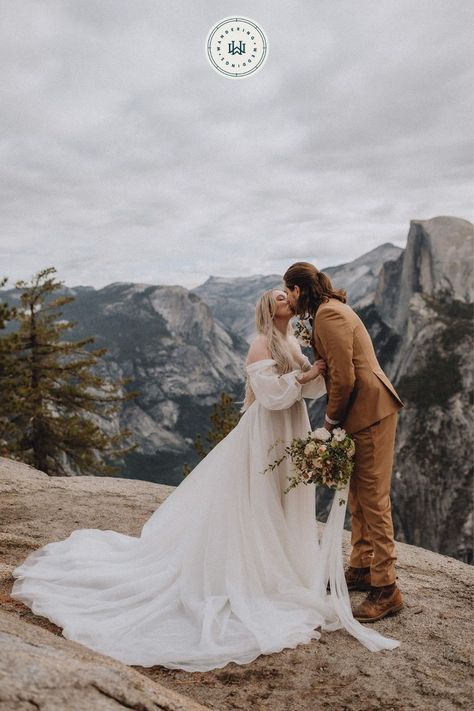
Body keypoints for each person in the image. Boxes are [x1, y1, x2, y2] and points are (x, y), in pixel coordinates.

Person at [11, 289, 400, 673]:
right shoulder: (261, 344)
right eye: (280, 297)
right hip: (267, 430)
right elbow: (269, 395)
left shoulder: (290, 342)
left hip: (291, 427)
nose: (288, 300)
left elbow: (311, 389)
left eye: (288, 294)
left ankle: (283, 564)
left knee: (282, 496)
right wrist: (304, 378)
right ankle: (255, 570)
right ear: (270, 308)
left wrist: (316, 374)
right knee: (258, 496)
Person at [284, 262, 405, 623]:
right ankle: (362, 565)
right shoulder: (327, 312)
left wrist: (330, 421)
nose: (289, 299)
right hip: (362, 412)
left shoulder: (329, 316)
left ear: (299, 289)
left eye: (288, 290)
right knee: (357, 493)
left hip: (369, 411)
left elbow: (346, 378)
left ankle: (387, 589)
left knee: (373, 497)